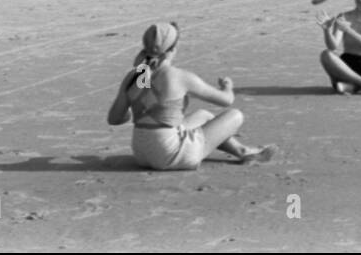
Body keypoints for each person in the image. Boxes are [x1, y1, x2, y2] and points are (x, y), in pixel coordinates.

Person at [107, 22, 272, 169]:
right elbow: (226, 100)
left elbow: (114, 119)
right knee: (235, 115)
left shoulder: (135, 76)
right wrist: (228, 87)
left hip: (141, 153)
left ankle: (243, 151)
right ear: (172, 49)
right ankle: (243, 152)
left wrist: (135, 108)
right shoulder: (178, 76)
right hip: (168, 154)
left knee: (204, 115)